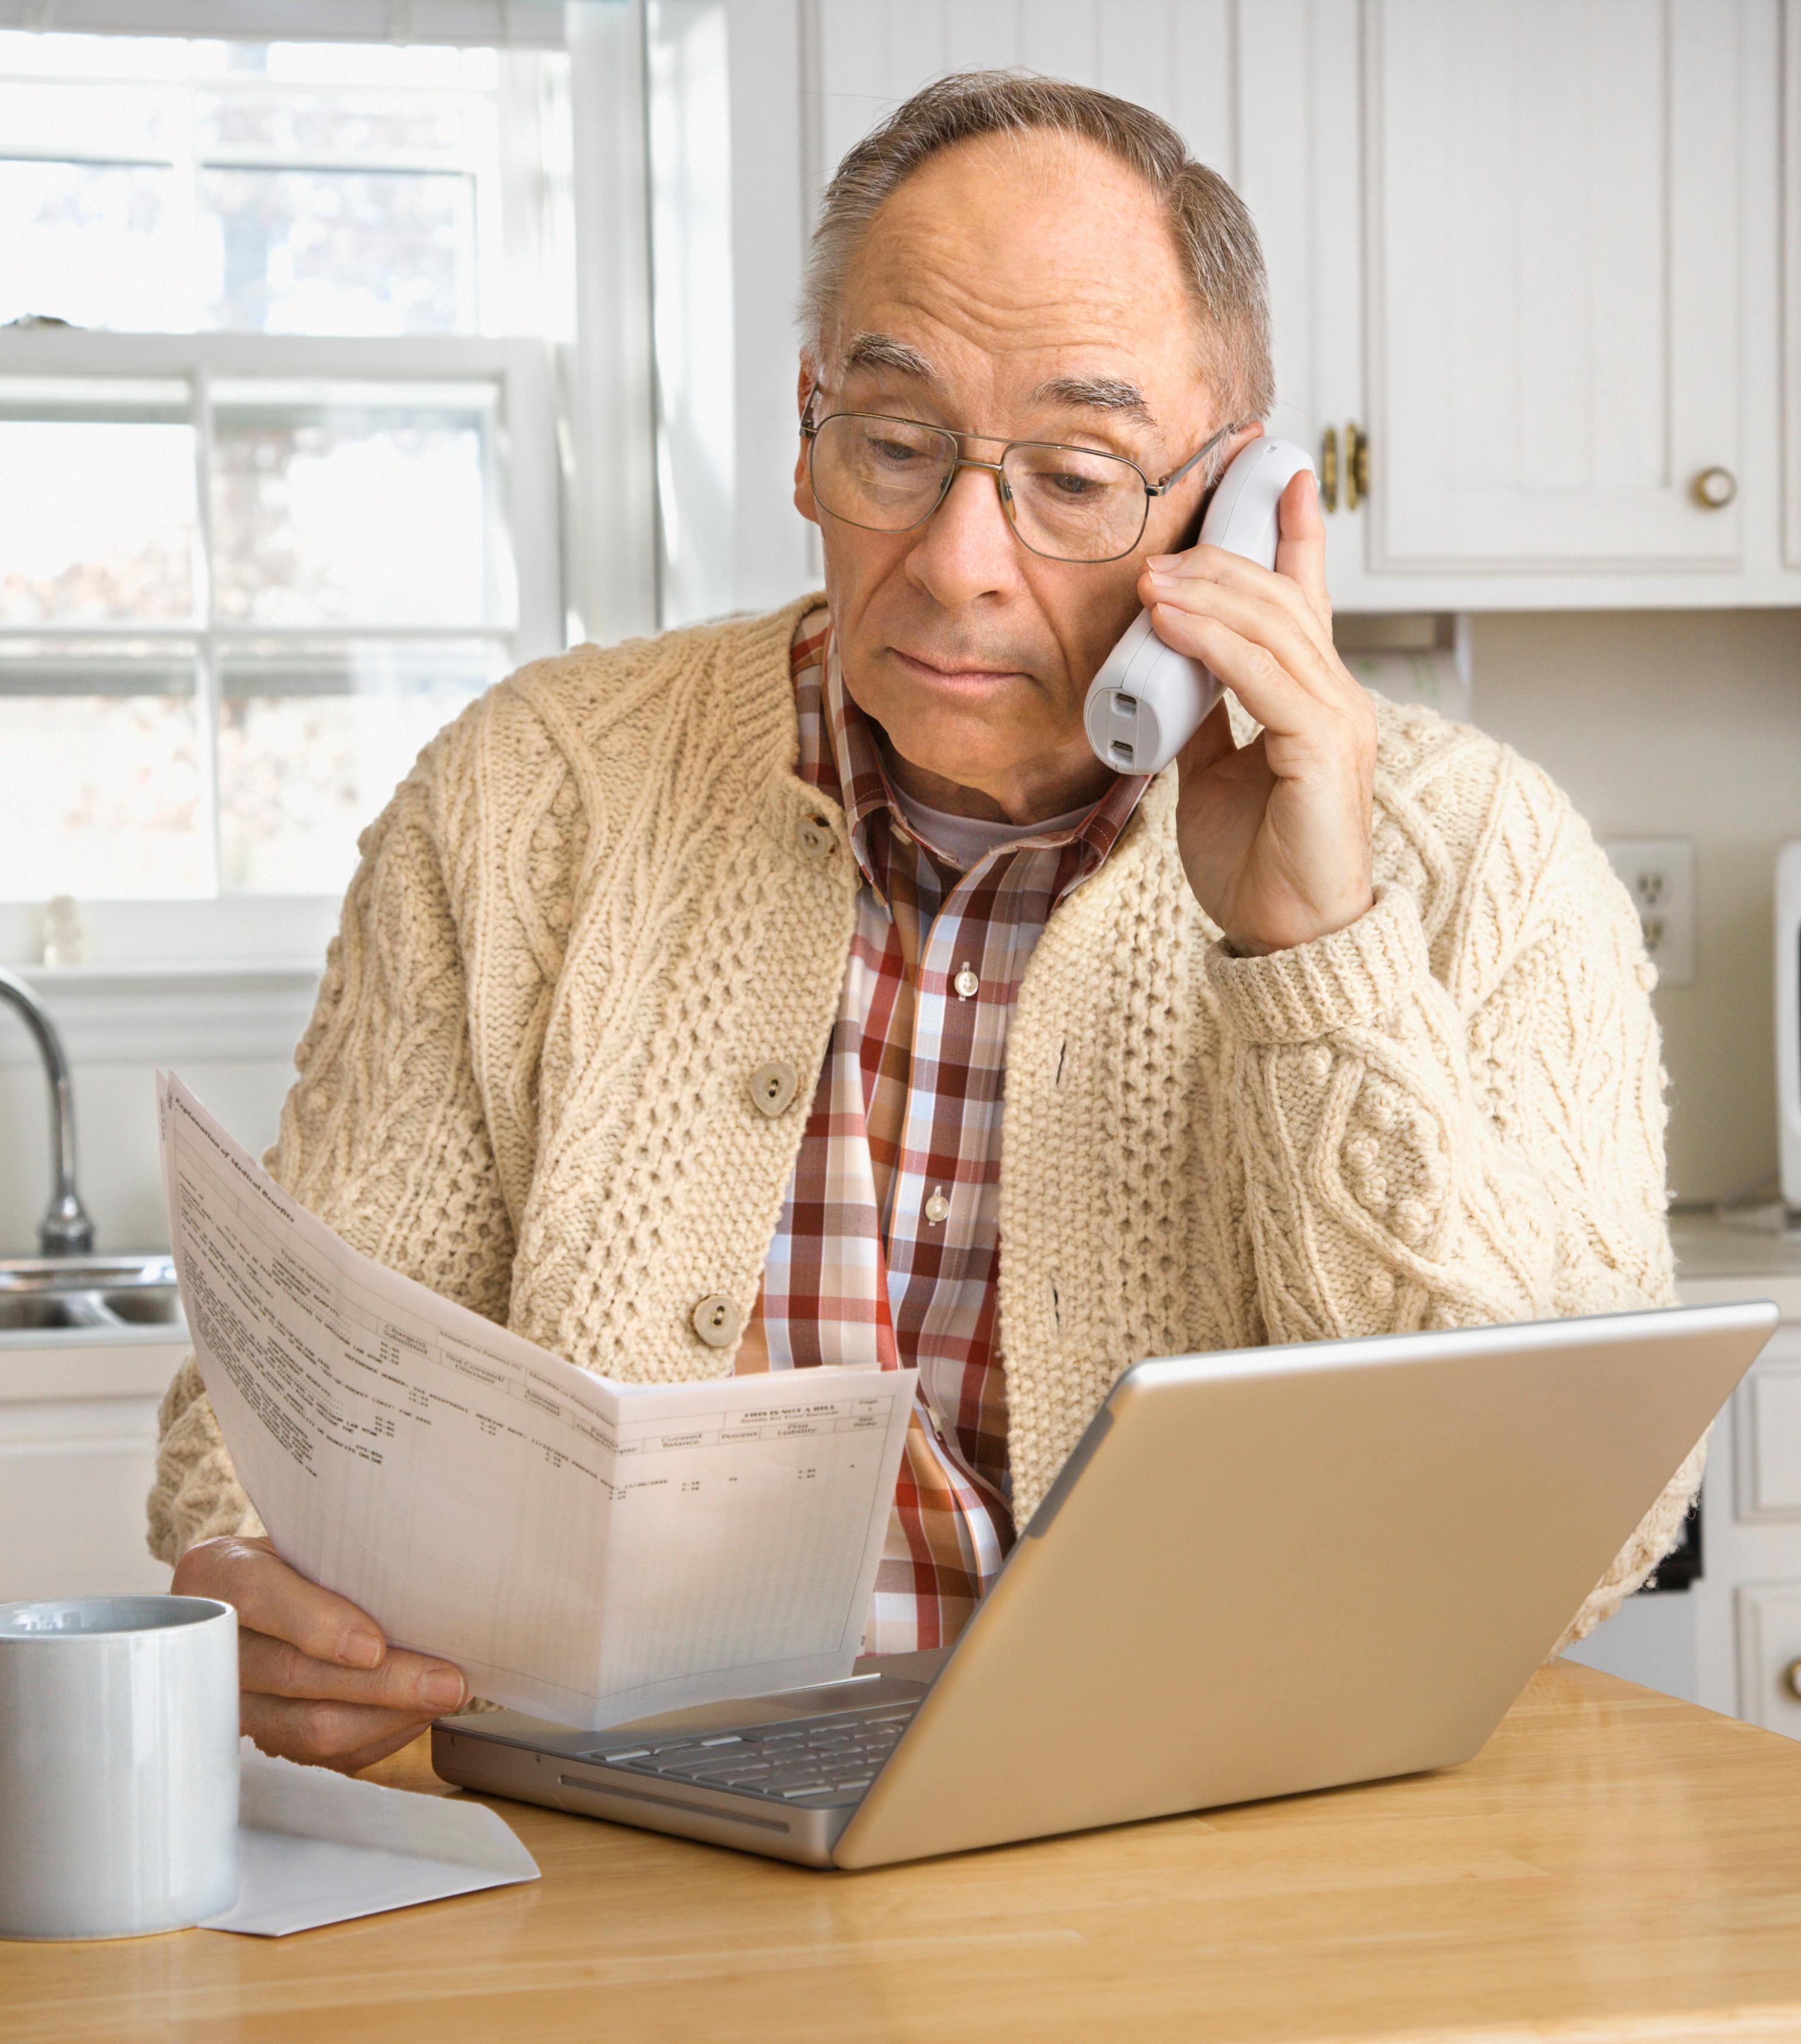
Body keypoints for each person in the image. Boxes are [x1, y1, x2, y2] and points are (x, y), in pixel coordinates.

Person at [148, 71, 1690, 1772]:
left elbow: (1561, 1547)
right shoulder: (534, 795)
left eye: (1079, 476)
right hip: (613, 1860)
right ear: (808, 431)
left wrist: (1315, 949)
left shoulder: (1482, 859)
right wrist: (255, 1598)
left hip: (1202, 1866)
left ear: (1232, 503)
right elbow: (284, 1398)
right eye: (895, 445)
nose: (961, 559)